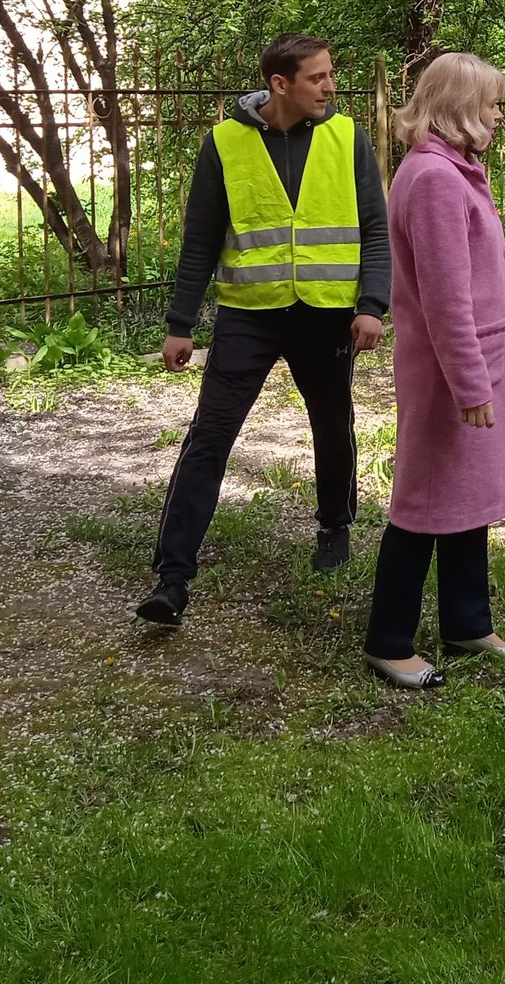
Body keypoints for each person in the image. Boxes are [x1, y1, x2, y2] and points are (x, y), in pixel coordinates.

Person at [136, 33, 390, 627]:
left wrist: (372, 305)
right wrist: (180, 324)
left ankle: (334, 526)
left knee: (333, 426)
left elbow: (376, 229)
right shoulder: (224, 143)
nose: (330, 86)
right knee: (209, 436)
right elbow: (201, 238)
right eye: (317, 77)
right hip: (248, 315)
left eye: (331, 74)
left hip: (326, 313)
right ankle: (173, 578)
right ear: (280, 84)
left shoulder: (348, 137)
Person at [363, 52, 505, 689]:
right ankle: (389, 641)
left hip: (469, 362)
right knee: (424, 502)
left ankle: (467, 622)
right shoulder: (436, 178)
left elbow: (455, 264)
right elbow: (441, 298)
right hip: (451, 372)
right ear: (461, 108)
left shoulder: (451, 169)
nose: (498, 115)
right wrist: (471, 384)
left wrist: (502, 258)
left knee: (464, 496)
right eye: (492, 104)